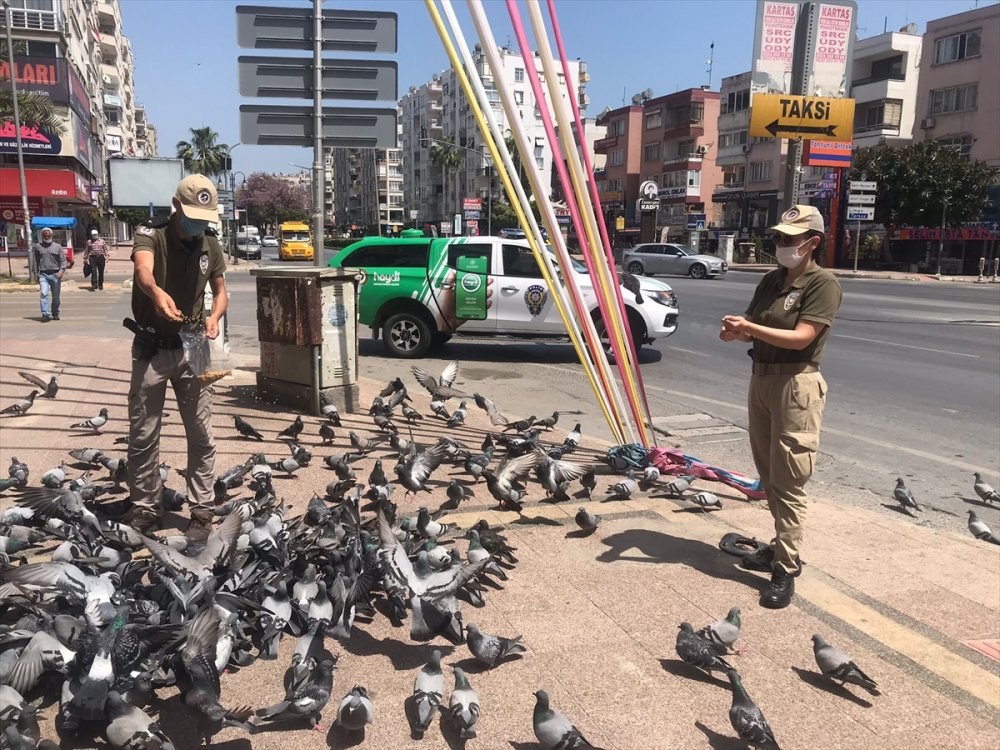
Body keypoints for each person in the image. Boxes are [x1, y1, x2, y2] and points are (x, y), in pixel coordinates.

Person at [719, 205, 843, 610]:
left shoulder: (822, 283)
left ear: (812, 243)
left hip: (796, 384)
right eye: (779, 238)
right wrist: (736, 332)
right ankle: (778, 546)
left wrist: (750, 328)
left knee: (789, 481)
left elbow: (802, 337)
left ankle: (786, 568)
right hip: (762, 379)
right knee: (769, 476)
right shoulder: (772, 280)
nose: (782, 245)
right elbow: (754, 323)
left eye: (791, 239)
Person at [126, 175, 228, 541]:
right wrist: (155, 293)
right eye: (192, 217)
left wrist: (214, 317)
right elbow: (142, 271)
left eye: (204, 218)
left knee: (201, 432)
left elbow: (221, 293)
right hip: (152, 346)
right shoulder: (150, 235)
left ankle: (201, 510)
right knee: (143, 433)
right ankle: (146, 507)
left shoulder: (210, 244)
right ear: (176, 206)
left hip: (194, 346)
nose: (197, 225)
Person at [32, 228, 67, 322]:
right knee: (44, 293)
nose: (47, 237)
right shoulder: (38, 247)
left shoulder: (58, 247)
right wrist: (35, 274)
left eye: (48, 235)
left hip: (55, 274)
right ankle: (45, 314)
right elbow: (35, 262)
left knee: (56, 296)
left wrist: (61, 271)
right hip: (43, 274)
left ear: (52, 236)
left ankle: (55, 313)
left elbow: (63, 261)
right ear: (42, 236)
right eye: (45, 235)